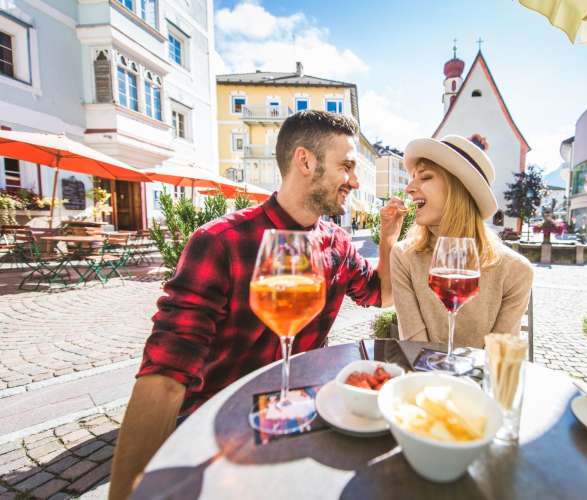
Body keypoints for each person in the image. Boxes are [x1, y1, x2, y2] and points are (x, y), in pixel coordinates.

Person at [109, 111, 406, 500]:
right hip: (220, 429)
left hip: (301, 416)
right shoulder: (220, 242)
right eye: (347, 166)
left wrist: (388, 238)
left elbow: (380, 294)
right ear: (305, 161)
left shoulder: (335, 242)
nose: (356, 180)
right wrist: (126, 494)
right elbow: (165, 377)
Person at [390, 135, 533, 349]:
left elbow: (498, 356)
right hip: (423, 378)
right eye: (412, 177)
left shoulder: (517, 271)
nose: (409, 188)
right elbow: (415, 348)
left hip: (481, 381)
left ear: (460, 190)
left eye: (425, 177)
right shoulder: (404, 256)